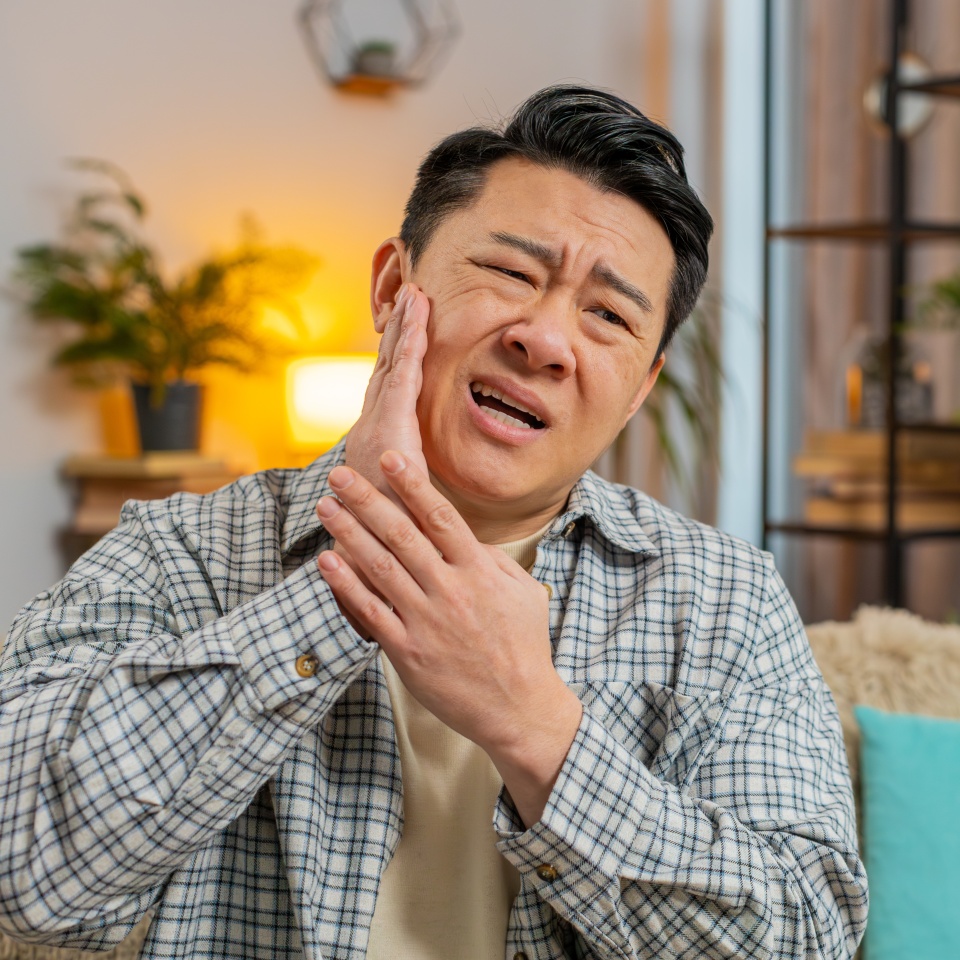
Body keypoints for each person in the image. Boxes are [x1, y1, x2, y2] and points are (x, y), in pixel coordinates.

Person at [0, 86, 867, 960]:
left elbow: (804, 936)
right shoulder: (181, 552)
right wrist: (358, 572)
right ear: (392, 288)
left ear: (641, 385)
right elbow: (21, 869)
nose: (545, 340)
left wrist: (533, 724)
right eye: (512, 273)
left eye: (608, 315)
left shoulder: (725, 599)